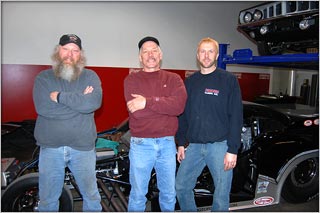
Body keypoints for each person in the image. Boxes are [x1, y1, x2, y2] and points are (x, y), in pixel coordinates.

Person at [33, 34, 102, 212]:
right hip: (51, 148)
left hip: (83, 148)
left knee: (92, 197)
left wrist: (60, 97)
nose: (70, 54)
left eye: (75, 50)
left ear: (81, 54)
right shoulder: (44, 78)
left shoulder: (90, 76)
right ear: (58, 50)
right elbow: (43, 108)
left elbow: (92, 103)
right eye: (66, 49)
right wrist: (80, 102)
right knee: (48, 200)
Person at [175, 37, 243, 212]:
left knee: (221, 194)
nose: (206, 55)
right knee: (181, 186)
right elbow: (182, 114)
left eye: (210, 51)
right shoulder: (190, 82)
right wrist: (181, 142)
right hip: (195, 146)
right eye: (203, 51)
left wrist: (232, 149)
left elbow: (236, 115)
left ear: (217, 55)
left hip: (220, 147)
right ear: (197, 55)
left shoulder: (228, 80)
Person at [123, 36, 187, 212]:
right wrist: (165, 104)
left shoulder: (174, 79)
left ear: (160, 55)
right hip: (141, 145)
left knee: (168, 194)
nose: (150, 54)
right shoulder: (131, 80)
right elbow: (138, 113)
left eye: (154, 50)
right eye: (145, 51)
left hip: (167, 144)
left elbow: (179, 106)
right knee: (137, 195)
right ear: (140, 57)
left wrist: (148, 101)